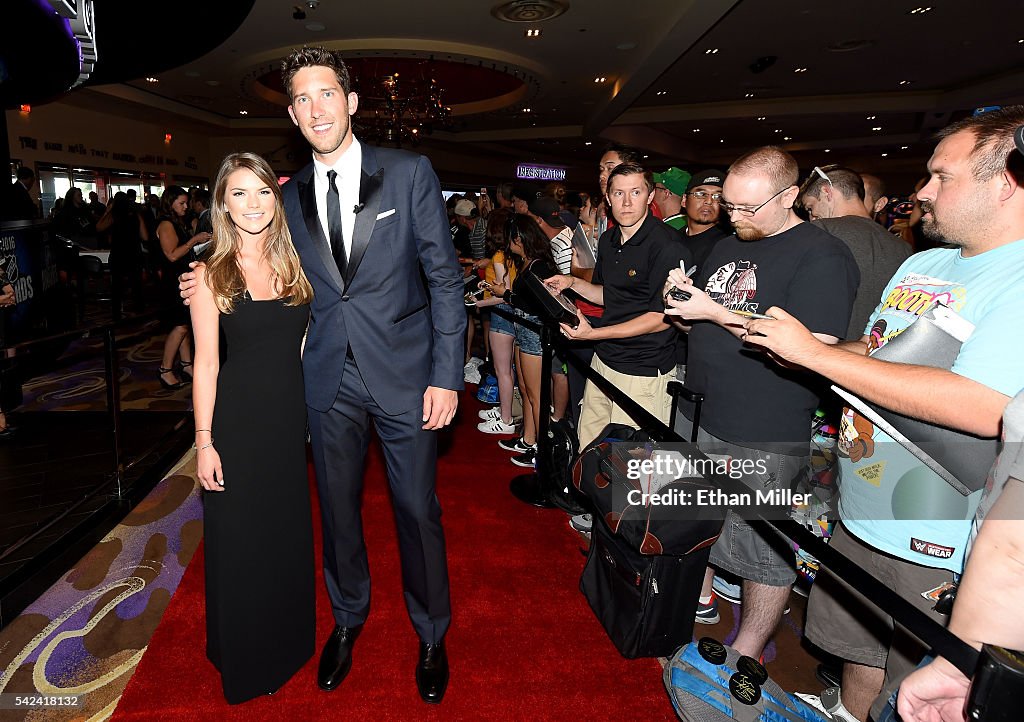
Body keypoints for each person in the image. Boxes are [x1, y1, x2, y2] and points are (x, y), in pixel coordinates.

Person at [182, 46, 464, 704]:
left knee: (417, 511)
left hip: (407, 376)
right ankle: (348, 619)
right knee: (337, 514)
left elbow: (446, 281)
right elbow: (247, 254)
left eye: (327, 94)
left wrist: (447, 376)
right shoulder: (288, 198)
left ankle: (431, 633)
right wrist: (202, 273)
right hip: (324, 381)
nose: (316, 109)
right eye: (303, 99)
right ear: (291, 113)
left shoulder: (409, 173)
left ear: (351, 102)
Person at [741, 106, 1024, 721]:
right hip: (864, 505)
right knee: (857, 652)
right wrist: (806, 350)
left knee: (918, 685)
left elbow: (985, 407)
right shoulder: (924, 262)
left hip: (941, 536)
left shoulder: (1019, 276)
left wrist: (820, 357)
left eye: (941, 177)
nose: (922, 192)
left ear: (1005, 181)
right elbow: (876, 357)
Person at [664, 145, 857, 657]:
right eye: (730, 206)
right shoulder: (729, 243)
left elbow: (813, 349)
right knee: (695, 520)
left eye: (749, 208)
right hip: (699, 408)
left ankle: (748, 651)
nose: (736, 217)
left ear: (790, 196)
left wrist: (712, 312)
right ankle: (700, 599)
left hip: (764, 425)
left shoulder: (822, 253)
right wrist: (684, 302)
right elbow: (703, 314)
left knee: (763, 550)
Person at [188, 151, 316, 704]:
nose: (253, 204)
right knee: (239, 545)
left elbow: (306, 345)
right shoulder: (208, 274)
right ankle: (243, 655)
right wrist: (204, 441)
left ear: (277, 197)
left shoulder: (296, 265)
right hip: (236, 428)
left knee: (283, 538)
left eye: (262, 191)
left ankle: (287, 645)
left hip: (288, 426)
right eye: (239, 193)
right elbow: (207, 364)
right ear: (223, 203)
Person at [488, 213, 559, 468]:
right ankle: (529, 440)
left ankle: (542, 449)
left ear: (519, 238)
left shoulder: (539, 265)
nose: (508, 245)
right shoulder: (530, 262)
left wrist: (504, 293)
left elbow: (542, 304)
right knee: (529, 392)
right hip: (524, 331)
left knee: (537, 396)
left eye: (510, 239)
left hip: (533, 333)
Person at [157, 186, 210, 389]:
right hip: (172, 282)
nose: (186, 206)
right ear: (170, 203)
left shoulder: (178, 222)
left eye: (187, 202)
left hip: (181, 279)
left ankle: (187, 365)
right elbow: (171, 255)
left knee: (185, 325)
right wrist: (194, 240)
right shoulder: (165, 224)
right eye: (181, 203)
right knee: (179, 327)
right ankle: (165, 369)